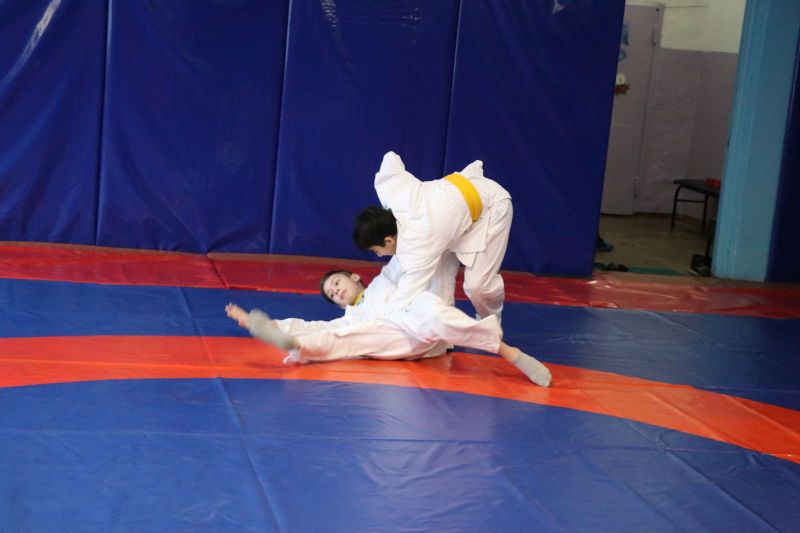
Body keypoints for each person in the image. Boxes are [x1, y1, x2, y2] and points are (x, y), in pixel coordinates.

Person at [224, 261, 552, 387]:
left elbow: (409, 256)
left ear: (354, 276)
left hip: (416, 320)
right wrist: (260, 322)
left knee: (433, 311)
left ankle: (511, 353)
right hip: (393, 341)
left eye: (336, 283)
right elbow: (314, 324)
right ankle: (290, 342)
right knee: (338, 334)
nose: (336, 291)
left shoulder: (385, 280)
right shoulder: (351, 317)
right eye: (332, 295)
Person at [352, 151, 513, 322]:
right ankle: (442, 329)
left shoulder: (418, 245)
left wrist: (377, 324)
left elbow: (405, 294)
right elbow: (390, 157)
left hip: (490, 206)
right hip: (447, 220)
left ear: (388, 240)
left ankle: (491, 323)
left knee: (478, 287)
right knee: (436, 284)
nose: (379, 255)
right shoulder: (391, 191)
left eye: (376, 251)